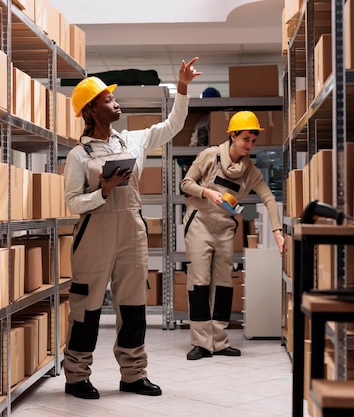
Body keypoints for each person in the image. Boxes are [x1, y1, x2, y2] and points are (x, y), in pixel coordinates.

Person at [62, 57, 202, 399]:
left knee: (133, 306)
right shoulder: (78, 156)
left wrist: (182, 88)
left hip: (132, 234)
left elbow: (172, 125)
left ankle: (133, 374)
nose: (115, 102)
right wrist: (102, 192)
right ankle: (77, 376)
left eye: (113, 98)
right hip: (93, 235)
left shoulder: (133, 140)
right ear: (91, 111)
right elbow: (71, 203)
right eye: (107, 100)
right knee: (87, 308)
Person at [180, 110, 285, 361]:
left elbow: (269, 199)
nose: (249, 145)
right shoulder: (210, 155)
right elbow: (186, 183)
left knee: (224, 285)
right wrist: (207, 193)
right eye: (245, 139)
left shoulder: (250, 171)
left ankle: (219, 340)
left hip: (224, 228)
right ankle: (201, 342)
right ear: (233, 136)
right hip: (199, 225)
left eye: (253, 140)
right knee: (199, 283)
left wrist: (278, 232)